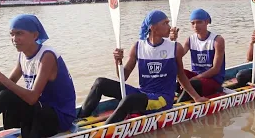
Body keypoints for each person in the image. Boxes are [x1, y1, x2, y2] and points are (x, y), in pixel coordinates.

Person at [77, 10, 209, 124]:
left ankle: (104, 131)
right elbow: (124, 76)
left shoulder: (175, 48)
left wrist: (196, 97)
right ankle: (80, 120)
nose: (169, 27)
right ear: (153, 27)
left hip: (162, 100)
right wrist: (117, 61)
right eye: (165, 23)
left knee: (130, 100)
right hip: (142, 94)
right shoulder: (138, 47)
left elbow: (180, 75)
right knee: (100, 83)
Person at [0, 14, 76, 138]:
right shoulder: (22, 55)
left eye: (19, 34)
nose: (14, 39)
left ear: (35, 35)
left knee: (6, 95)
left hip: (58, 117)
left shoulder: (47, 56)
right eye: (12, 34)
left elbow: (33, 97)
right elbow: (8, 83)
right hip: (37, 109)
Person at [170, 9, 226, 102]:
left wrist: (192, 80)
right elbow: (176, 57)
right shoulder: (190, 39)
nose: (195, 26)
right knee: (175, 70)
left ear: (206, 22)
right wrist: (172, 41)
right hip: (196, 77)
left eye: (199, 22)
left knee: (192, 83)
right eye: (193, 23)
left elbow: (215, 69)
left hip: (213, 80)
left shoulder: (217, 40)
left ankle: (178, 104)